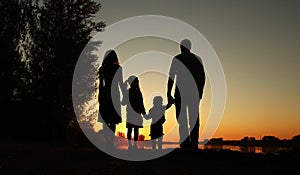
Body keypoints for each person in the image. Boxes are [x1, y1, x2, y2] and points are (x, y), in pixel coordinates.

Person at [167, 39, 206, 149]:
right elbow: (202, 78)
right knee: (189, 119)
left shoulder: (178, 59)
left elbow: (171, 77)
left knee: (184, 120)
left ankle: (187, 144)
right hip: (189, 94)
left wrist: (168, 93)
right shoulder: (194, 59)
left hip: (183, 93)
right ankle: (191, 144)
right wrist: (200, 92)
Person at [97, 49, 125, 150]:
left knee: (105, 120)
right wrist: (124, 96)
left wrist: (99, 96)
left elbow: (101, 85)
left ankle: (108, 142)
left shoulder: (102, 69)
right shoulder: (118, 68)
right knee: (113, 120)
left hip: (105, 93)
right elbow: (120, 84)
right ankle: (111, 142)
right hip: (115, 94)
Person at [122, 75, 146, 149]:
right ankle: (134, 145)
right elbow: (141, 104)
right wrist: (144, 113)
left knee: (130, 129)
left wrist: (124, 92)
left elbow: (123, 103)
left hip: (130, 113)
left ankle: (130, 145)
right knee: (136, 129)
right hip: (136, 113)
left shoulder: (128, 92)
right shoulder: (138, 92)